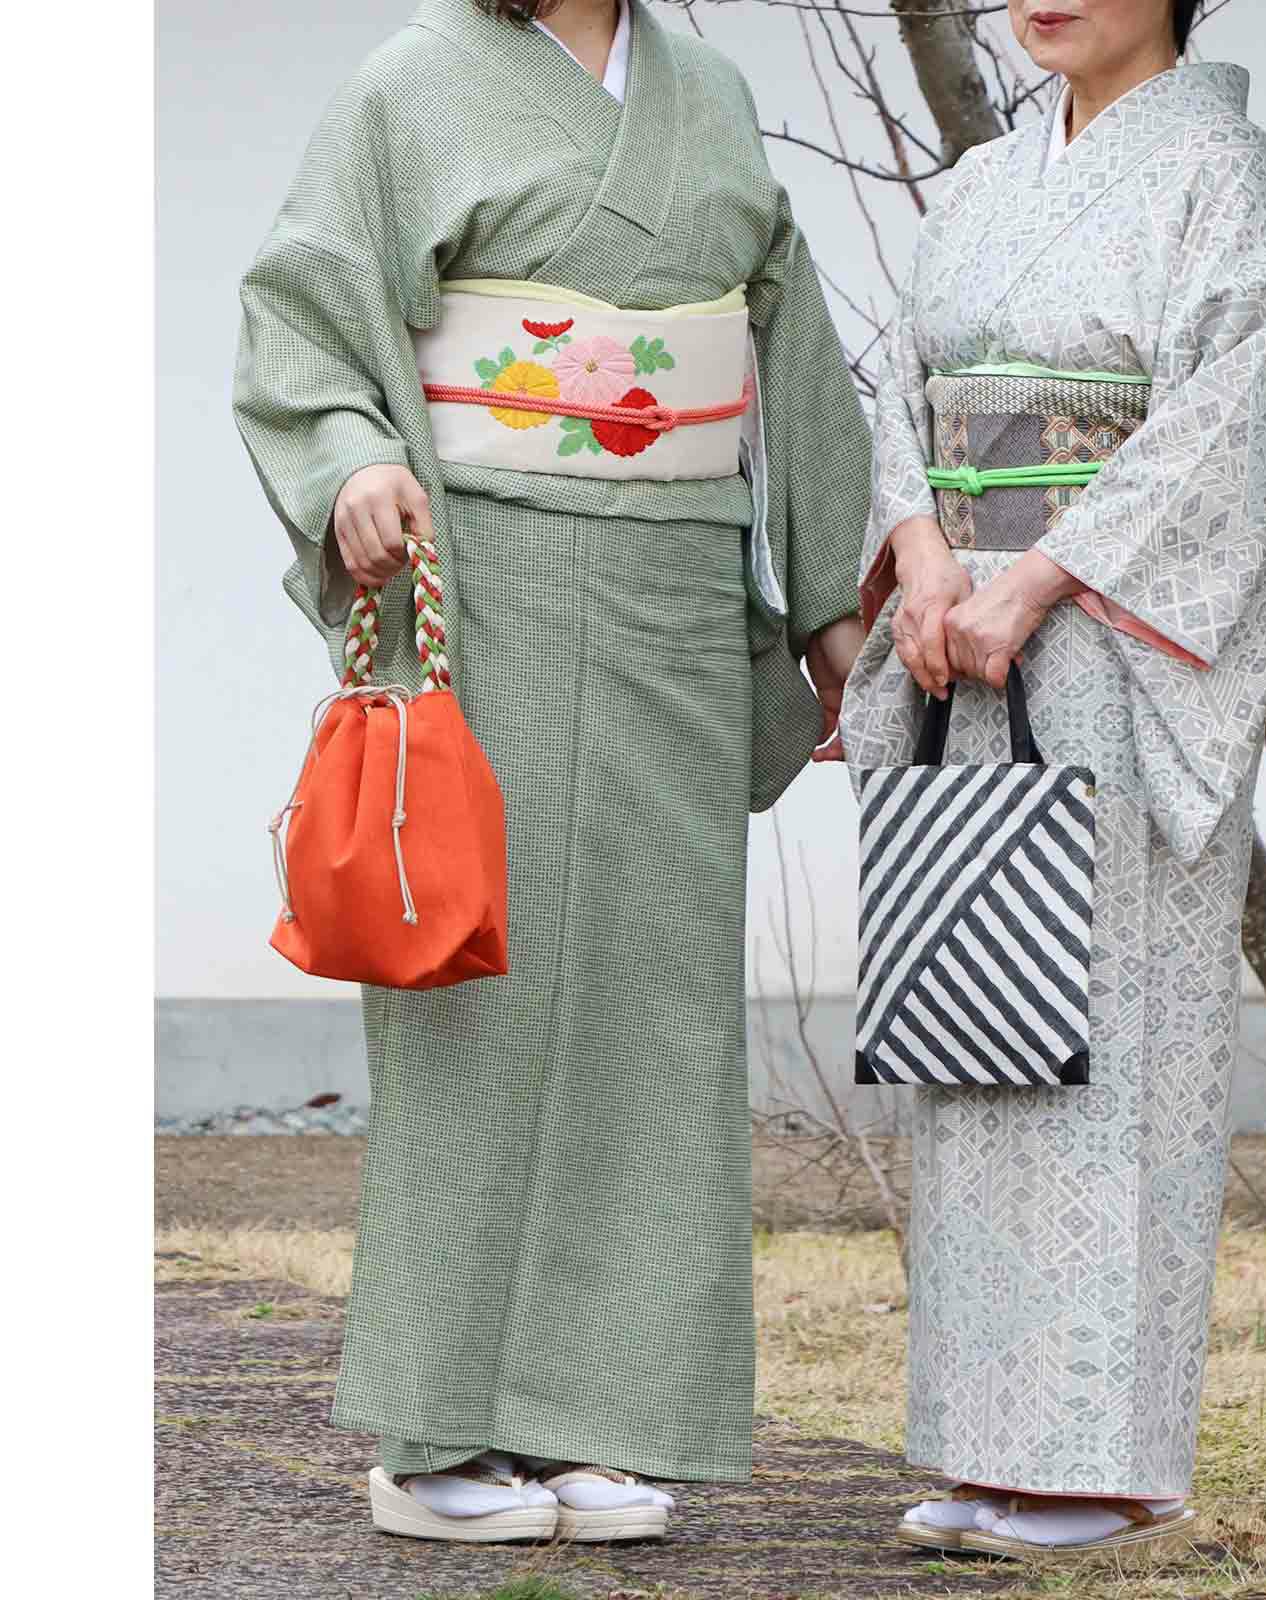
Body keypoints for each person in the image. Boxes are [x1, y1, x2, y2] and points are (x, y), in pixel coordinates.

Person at [233, 0, 869, 1544]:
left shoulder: (708, 92)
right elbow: (305, 311)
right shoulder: (408, 89)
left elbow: (787, 362)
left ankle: (606, 1414)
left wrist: (829, 604)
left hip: (674, 585)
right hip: (486, 576)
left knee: (657, 1006)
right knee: (477, 994)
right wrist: (351, 456)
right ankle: (436, 1433)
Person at [837, 0, 1266, 1560]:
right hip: (962, 640)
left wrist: (1042, 577)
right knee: (983, 1027)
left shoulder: (1225, 173)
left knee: (1111, 1043)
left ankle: (1100, 1468)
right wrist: (921, 553)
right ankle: (987, 1447)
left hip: (1114, 649)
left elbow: (1243, 422)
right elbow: (899, 397)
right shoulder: (985, 183)